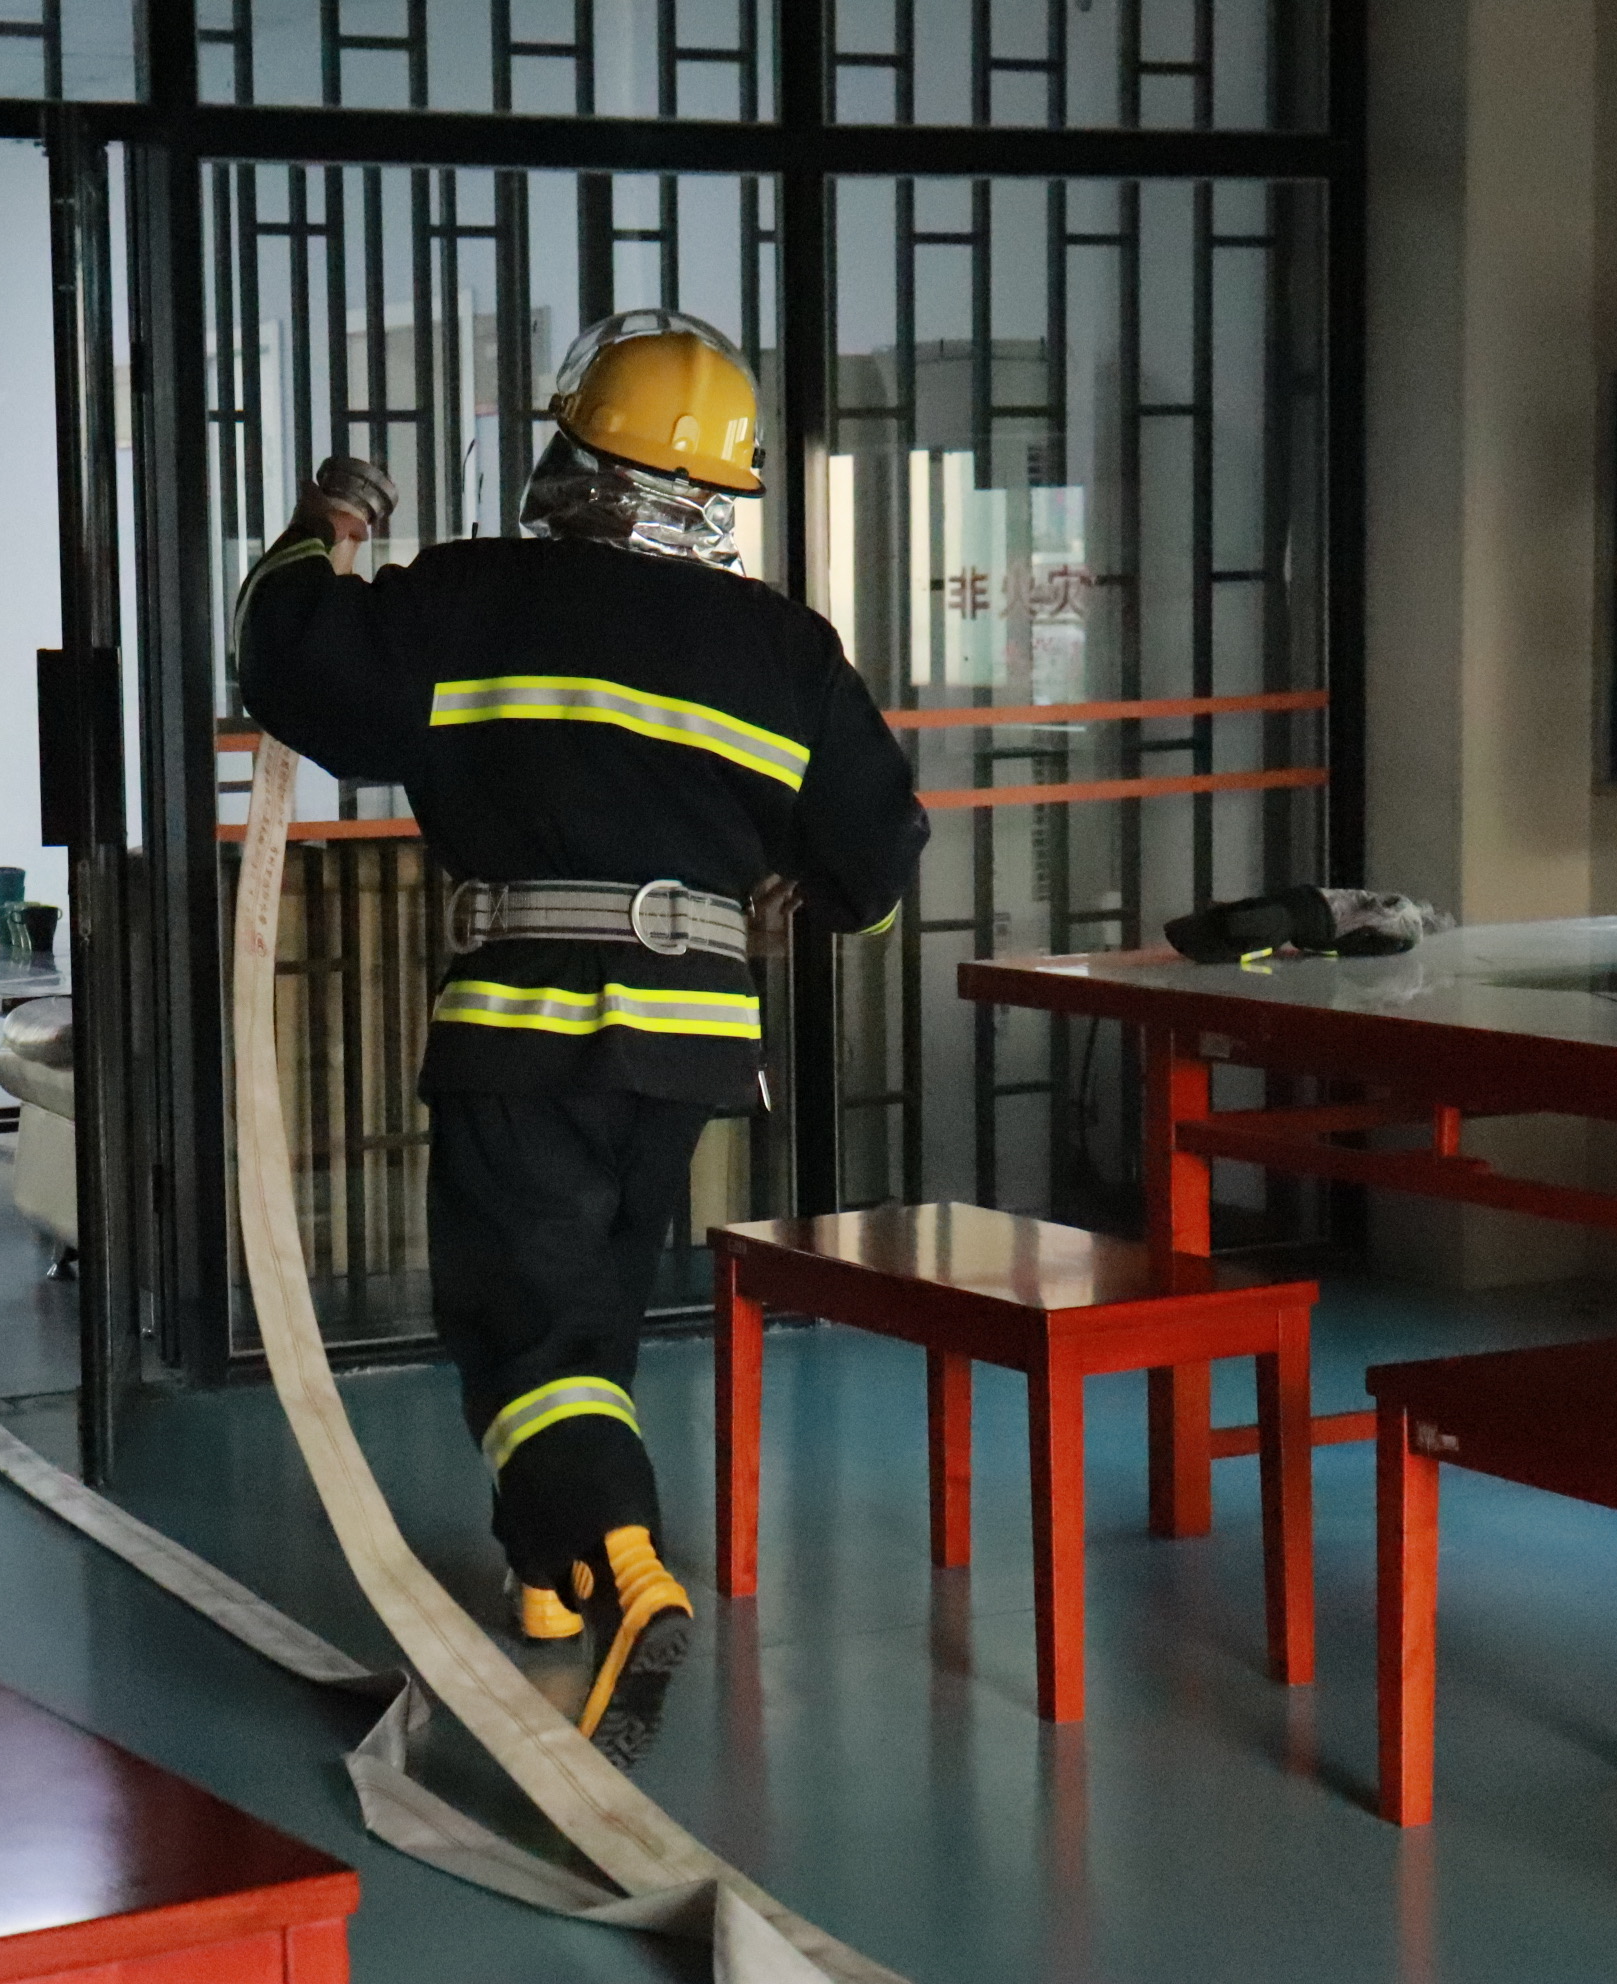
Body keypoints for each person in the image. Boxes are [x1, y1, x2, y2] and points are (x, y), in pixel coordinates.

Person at [237, 311, 928, 1767]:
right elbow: (876, 858)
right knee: (592, 1307)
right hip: (689, 1051)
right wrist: (808, 892)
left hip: (525, 1029)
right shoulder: (785, 650)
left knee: (521, 1323)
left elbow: (294, 666)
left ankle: (624, 1562)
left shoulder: (470, 599)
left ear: (577, 460)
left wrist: (322, 531)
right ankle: (547, 1574)